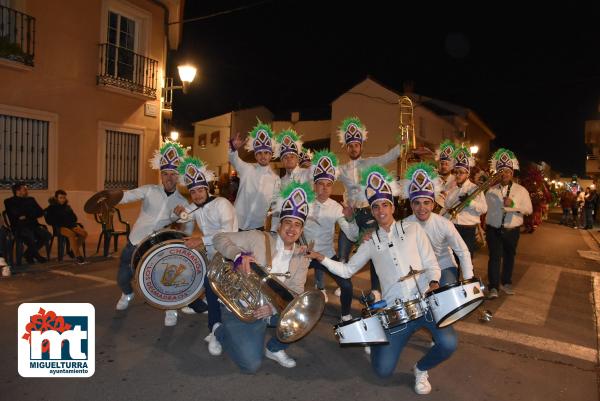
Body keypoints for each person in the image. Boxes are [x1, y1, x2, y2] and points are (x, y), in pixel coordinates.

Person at [308, 164, 456, 395]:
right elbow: (347, 271)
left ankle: (421, 369)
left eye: (384, 204)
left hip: (425, 304)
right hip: (397, 312)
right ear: (373, 211)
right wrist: (321, 258)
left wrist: (434, 285)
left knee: (449, 343)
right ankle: (375, 335)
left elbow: (432, 265)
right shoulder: (369, 242)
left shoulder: (414, 230)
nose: (380, 210)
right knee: (382, 371)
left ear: (393, 206)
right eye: (375, 207)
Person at [212, 181, 314, 373]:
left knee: (303, 317)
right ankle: (219, 330)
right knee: (251, 365)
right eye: (288, 223)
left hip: (269, 309)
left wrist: (274, 307)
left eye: (297, 225)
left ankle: (274, 348)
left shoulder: (302, 257)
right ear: (279, 224)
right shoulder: (258, 237)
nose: (292, 229)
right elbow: (218, 238)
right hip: (241, 306)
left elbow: (296, 290)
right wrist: (237, 255)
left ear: (301, 230)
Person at [155, 156, 238, 356]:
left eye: (200, 190)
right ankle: (203, 311)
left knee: (217, 290)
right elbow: (181, 216)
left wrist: (201, 240)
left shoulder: (222, 203)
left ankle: (216, 328)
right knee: (187, 273)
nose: (197, 194)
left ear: (207, 189)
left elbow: (228, 234)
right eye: (193, 191)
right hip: (211, 255)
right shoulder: (195, 206)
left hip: (230, 253)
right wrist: (177, 213)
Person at [114, 141, 192, 327]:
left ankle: (171, 308)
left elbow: (185, 223)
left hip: (157, 245)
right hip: (135, 241)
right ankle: (127, 293)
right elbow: (128, 195)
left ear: (178, 177)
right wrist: (112, 197)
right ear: (161, 175)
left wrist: (182, 217)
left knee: (165, 277)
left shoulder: (181, 200)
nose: (169, 177)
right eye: (165, 174)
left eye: (173, 174)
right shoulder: (149, 190)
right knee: (123, 276)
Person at [337, 117, 401, 301]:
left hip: (367, 214)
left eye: (357, 145)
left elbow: (389, 156)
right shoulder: (342, 169)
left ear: (362, 146)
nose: (354, 148)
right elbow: (326, 175)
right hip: (350, 214)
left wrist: (403, 144)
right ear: (346, 148)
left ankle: (375, 289)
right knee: (343, 252)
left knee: (374, 252)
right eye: (350, 146)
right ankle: (344, 284)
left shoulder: (371, 162)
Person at [303, 150, 358, 320]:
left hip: (326, 254)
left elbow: (353, 235)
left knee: (346, 285)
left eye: (328, 184)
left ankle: (346, 316)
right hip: (304, 254)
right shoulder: (304, 202)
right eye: (321, 183)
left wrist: (350, 219)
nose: (325, 188)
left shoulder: (335, 207)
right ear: (315, 185)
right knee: (287, 282)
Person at [403, 162, 474, 286]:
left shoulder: (444, 224)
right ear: (411, 205)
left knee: (446, 294)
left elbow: (462, 251)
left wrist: (469, 279)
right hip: (420, 271)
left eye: (426, 203)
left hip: (444, 266)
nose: (421, 208)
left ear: (433, 205)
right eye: (417, 203)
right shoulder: (404, 225)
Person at [485, 148, 532, 298]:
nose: (504, 174)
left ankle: (506, 282)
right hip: (494, 229)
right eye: (501, 171)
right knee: (494, 257)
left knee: (509, 257)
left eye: (507, 171)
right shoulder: (490, 190)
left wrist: (513, 205)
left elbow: (529, 210)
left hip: (512, 230)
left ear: (512, 173)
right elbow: (483, 208)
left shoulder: (521, 190)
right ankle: (493, 287)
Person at [228, 120, 280, 231]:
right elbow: (234, 159)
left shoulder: (275, 179)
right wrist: (233, 148)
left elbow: (275, 206)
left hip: (257, 227)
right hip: (236, 222)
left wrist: (274, 230)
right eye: (259, 153)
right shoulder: (247, 169)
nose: (263, 156)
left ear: (271, 155)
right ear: (255, 156)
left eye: (266, 153)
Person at [443, 146, 487, 256]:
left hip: (468, 229)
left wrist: (470, 202)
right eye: (456, 172)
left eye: (461, 172)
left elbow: (484, 209)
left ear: (467, 174)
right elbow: (447, 205)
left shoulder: (475, 189)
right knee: (454, 260)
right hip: (454, 228)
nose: (457, 175)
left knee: (467, 260)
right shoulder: (452, 189)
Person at [270, 129, 312, 231]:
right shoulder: (279, 181)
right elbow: (276, 208)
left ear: (297, 159)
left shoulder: (306, 174)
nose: (289, 159)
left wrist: (311, 166)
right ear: (282, 161)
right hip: (285, 228)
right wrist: (273, 230)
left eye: (292, 156)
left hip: (304, 226)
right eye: (285, 157)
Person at [4, 182, 50, 264]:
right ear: (17, 191)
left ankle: (29, 254)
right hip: (19, 227)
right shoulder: (9, 201)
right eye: (24, 189)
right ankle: (36, 255)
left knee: (46, 235)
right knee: (29, 235)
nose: (26, 190)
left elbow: (40, 212)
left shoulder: (31, 199)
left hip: (33, 225)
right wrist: (31, 213)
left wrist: (26, 215)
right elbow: (15, 214)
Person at [45, 189, 88, 264]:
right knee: (71, 234)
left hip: (71, 225)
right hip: (59, 227)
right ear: (56, 198)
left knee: (84, 233)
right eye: (61, 198)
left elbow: (74, 218)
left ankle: (72, 251)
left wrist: (73, 223)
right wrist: (60, 220)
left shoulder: (67, 207)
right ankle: (78, 256)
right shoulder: (51, 208)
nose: (63, 200)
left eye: (64, 198)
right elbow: (49, 220)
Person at [433, 140, 457, 210]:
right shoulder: (432, 178)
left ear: (452, 166)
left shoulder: (456, 180)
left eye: (447, 164)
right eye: (442, 164)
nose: (444, 166)